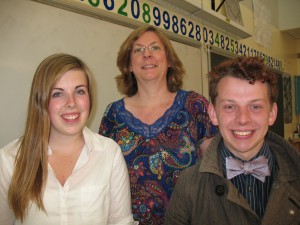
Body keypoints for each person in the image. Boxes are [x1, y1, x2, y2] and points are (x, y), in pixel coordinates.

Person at [99, 25, 217, 224]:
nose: (147, 55)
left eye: (155, 48)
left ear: (169, 59)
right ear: (128, 65)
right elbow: (103, 179)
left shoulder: (194, 106)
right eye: (138, 50)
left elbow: (216, 170)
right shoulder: (113, 115)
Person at [0, 53, 136, 225]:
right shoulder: (10, 159)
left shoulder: (109, 154)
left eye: (79, 91)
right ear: (41, 100)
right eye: (58, 94)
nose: (71, 103)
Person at [165, 56, 300, 225]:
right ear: (213, 114)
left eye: (255, 106)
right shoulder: (188, 185)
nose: (243, 119)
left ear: (272, 114)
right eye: (230, 107)